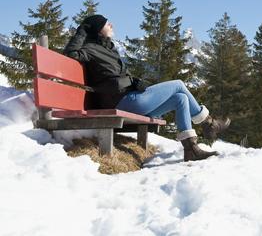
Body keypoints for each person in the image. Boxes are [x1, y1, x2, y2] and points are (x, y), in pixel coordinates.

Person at [63, 14, 230, 161]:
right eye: (107, 24)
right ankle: (208, 123)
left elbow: (114, 76)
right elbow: (69, 54)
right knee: (178, 84)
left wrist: (135, 82)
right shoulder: (89, 49)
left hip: (129, 98)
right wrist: (83, 29)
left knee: (181, 98)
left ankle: (191, 149)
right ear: (98, 29)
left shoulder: (108, 49)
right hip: (123, 101)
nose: (112, 25)